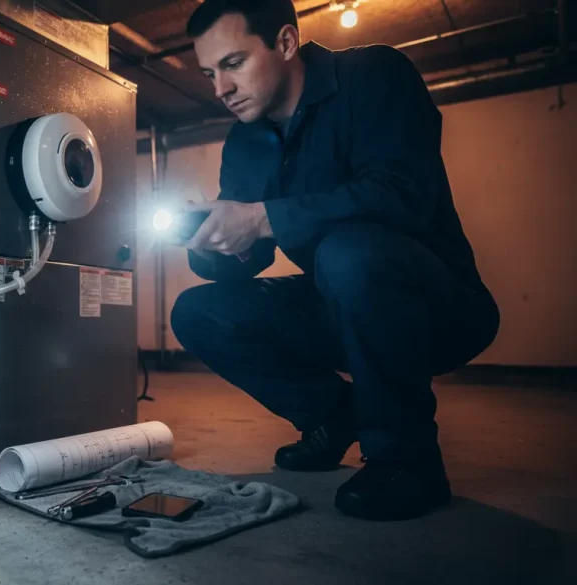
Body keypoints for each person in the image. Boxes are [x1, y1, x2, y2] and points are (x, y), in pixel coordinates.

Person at [170, 0, 501, 521]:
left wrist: (259, 218)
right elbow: (249, 257)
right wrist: (211, 245)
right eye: (209, 73)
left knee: (349, 252)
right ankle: (331, 416)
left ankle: (408, 460)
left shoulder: (373, 75)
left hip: (440, 306)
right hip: (339, 301)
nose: (220, 90)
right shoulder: (245, 143)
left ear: (284, 43)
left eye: (233, 64)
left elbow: (401, 194)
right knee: (195, 310)